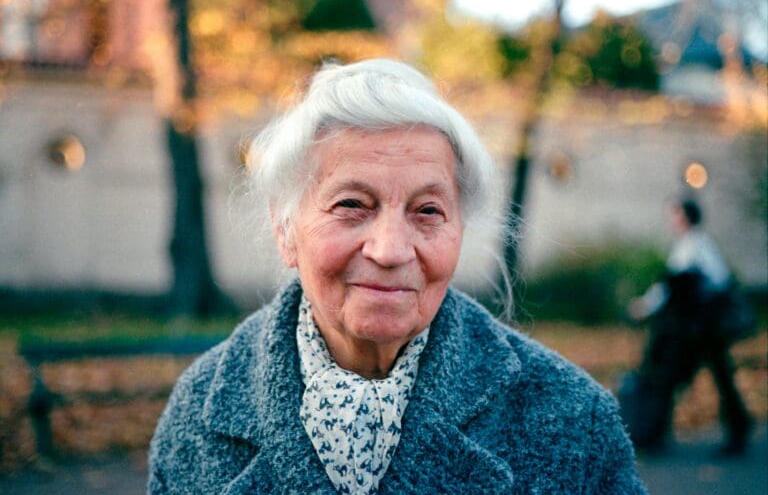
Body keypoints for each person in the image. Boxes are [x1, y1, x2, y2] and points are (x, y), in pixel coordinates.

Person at [148, 59, 646, 493]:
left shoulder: (573, 420)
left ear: (459, 230)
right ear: (286, 229)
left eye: (427, 210)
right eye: (351, 205)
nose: (389, 250)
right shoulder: (198, 415)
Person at [627, 198, 753, 455]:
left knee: (671, 376)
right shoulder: (698, 244)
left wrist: (644, 307)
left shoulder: (692, 246)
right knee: (715, 375)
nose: (672, 219)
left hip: (695, 329)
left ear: (684, 217)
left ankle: (655, 435)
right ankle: (738, 427)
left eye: (675, 214)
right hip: (702, 328)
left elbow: (672, 287)